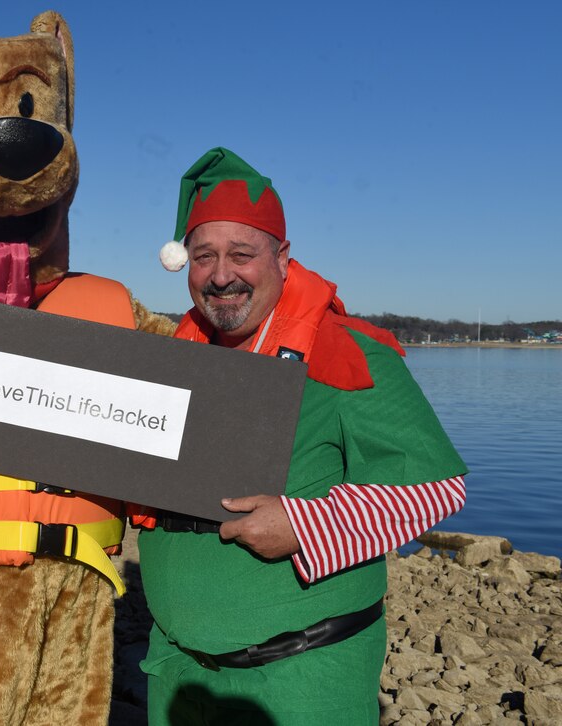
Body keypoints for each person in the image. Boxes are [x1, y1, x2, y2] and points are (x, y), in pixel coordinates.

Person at [142, 147, 468, 725]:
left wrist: (305, 525)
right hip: (177, 673)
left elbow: (437, 487)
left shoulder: (350, 352)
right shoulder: (171, 361)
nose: (221, 275)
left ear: (283, 258)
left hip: (303, 681)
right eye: (203, 257)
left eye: (242, 254)